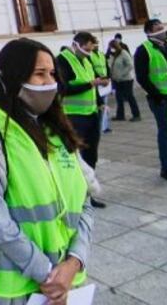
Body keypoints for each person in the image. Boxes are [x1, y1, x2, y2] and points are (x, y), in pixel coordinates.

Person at [0, 38, 92, 305]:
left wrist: (75, 261)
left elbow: (84, 202)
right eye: (39, 74)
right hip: (11, 291)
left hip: (65, 282)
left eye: (52, 74)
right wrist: (48, 275)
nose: (49, 82)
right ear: (12, 78)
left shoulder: (56, 131)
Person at [57, 32, 107, 206]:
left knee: (91, 155)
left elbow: (92, 84)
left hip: (91, 114)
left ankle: (89, 193)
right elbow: (63, 89)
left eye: (91, 49)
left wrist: (99, 102)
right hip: (74, 116)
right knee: (75, 157)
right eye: (86, 49)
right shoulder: (62, 60)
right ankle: (76, 195)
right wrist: (91, 84)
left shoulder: (86, 60)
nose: (88, 53)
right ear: (76, 44)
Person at [134, 19, 167, 181]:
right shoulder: (143, 50)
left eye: (163, 27)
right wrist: (158, 96)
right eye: (158, 28)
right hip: (161, 99)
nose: (163, 30)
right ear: (149, 32)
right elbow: (142, 77)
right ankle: (166, 168)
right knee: (165, 131)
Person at [107, 39, 139, 122]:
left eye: (112, 47)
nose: (111, 49)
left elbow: (130, 65)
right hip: (117, 80)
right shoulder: (113, 55)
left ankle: (136, 115)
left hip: (126, 79)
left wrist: (122, 74)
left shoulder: (123, 53)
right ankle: (120, 115)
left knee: (129, 97)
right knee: (119, 98)